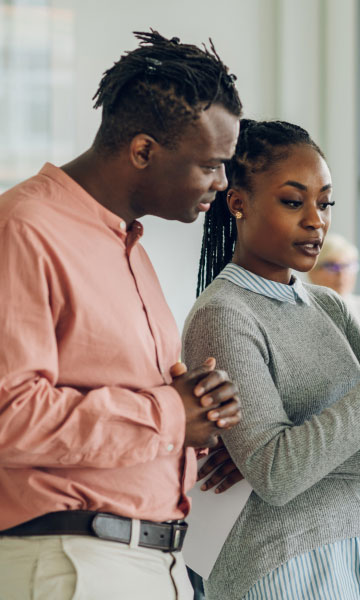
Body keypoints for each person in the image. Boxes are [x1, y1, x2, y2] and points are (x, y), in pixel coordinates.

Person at [0, 31, 244, 599]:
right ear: (142, 151)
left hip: (152, 561)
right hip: (71, 564)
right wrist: (168, 414)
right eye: (211, 164)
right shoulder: (24, 230)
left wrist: (197, 413)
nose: (223, 183)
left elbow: (136, 414)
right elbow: (10, 414)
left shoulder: (130, 247)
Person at [183, 119, 360, 600]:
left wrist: (285, 455)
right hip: (278, 568)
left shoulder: (330, 307)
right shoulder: (224, 315)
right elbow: (277, 476)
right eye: (294, 201)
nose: (316, 219)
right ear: (238, 203)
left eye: (325, 202)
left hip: (359, 559)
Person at [309, 233, 360, 358]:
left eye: (348, 266)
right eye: (332, 266)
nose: (341, 274)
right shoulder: (298, 313)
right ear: (312, 271)